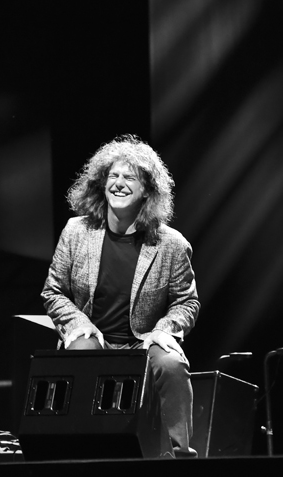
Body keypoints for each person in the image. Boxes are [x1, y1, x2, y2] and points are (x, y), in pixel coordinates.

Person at [41, 134, 200, 458]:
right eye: (113, 175)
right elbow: (52, 290)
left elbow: (188, 301)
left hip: (143, 342)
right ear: (101, 183)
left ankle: (179, 455)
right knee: (82, 351)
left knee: (170, 364)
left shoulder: (171, 244)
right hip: (94, 338)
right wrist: (76, 321)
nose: (119, 182)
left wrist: (163, 331)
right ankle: (76, 453)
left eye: (130, 177)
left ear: (147, 190)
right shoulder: (76, 231)